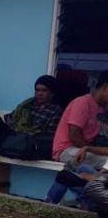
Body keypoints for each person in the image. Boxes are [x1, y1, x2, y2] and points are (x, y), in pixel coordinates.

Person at [45, 71, 108, 204]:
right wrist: (89, 148)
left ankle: (51, 201)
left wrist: (90, 148)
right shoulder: (82, 103)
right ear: (105, 88)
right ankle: (84, 200)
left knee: (78, 171)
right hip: (67, 150)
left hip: (83, 152)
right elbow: (74, 135)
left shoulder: (102, 109)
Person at [0, 75, 63, 161]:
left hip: (27, 140)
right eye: (37, 90)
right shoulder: (27, 105)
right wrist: (15, 126)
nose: (40, 93)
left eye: (44, 90)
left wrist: (23, 132)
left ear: (52, 93)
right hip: (11, 133)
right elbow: (10, 118)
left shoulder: (55, 111)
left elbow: (48, 136)